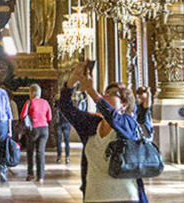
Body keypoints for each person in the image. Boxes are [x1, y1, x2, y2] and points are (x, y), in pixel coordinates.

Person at [57, 61, 148, 203]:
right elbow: (65, 106)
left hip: (126, 198)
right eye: (105, 92)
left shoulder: (128, 123)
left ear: (124, 104)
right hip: (94, 197)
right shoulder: (91, 125)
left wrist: (92, 92)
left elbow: (114, 119)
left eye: (112, 94)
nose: (105, 95)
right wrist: (73, 79)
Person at [22, 83, 53, 182]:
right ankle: (41, 177)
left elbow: (23, 115)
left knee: (30, 152)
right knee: (40, 152)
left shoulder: (29, 102)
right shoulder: (45, 102)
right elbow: (49, 118)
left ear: (32, 93)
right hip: (44, 129)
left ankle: (31, 174)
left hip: (33, 129)